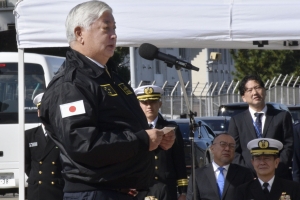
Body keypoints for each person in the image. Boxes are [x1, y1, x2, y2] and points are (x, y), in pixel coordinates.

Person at [39, 1, 175, 200]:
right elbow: (83, 144)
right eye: (106, 28)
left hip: (119, 190)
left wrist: (156, 139)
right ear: (79, 34)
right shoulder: (71, 85)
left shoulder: (110, 77)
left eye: (114, 28)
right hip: (94, 193)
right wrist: (143, 140)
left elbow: (121, 128)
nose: (114, 35)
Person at [228, 74, 293, 180]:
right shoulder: (237, 121)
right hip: (248, 179)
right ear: (243, 97)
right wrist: (249, 172)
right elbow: (234, 151)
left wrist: (273, 171)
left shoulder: (282, 116)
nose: (254, 93)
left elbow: (288, 146)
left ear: (264, 91)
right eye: (249, 90)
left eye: (257, 88)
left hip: (278, 177)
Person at [134, 85, 188, 200]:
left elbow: (179, 160)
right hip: (140, 189)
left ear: (160, 104)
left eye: (153, 102)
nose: (149, 106)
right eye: (145, 102)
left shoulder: (171, 129)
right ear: (139, 105)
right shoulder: (134, 130)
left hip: (166, 188)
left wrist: (183, 192)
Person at [186, 133, 253, 200]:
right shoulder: (198, 175)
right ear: (212, 148)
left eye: (232, 146)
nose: (227, 149)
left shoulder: (244, 174)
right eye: (223, 144)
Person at [25, 93, 64, 200]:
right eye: (42, 110)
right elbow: (26, 163)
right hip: (37, 189)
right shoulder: (29, 135)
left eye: (48, 110)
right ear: (38, 112)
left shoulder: (61, 135)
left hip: (56, 188)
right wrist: (37, 178)